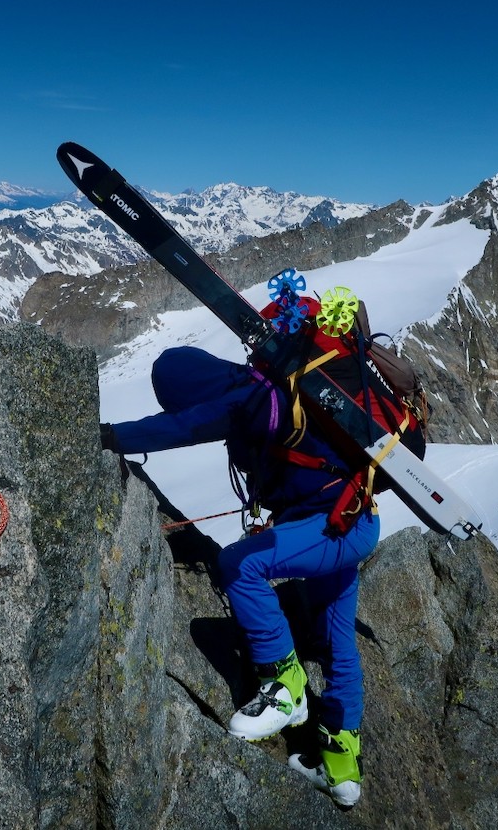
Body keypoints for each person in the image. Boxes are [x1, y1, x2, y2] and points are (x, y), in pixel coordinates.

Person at [99, 345, 379, 808]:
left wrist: (108, 436)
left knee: (239, 564)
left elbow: (180, 427)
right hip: (352, 518)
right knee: (336, 637)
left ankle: (285, 687)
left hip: (333, 528)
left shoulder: (241, 396)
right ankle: (341, 768)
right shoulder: (260, 389)